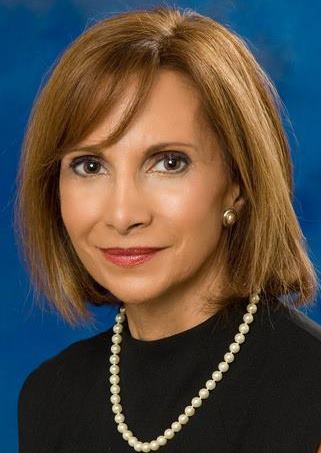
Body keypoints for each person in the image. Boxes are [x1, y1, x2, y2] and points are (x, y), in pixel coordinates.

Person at [15, 6, 321, 453]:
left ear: (238, 183)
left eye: (169, 163)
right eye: (90, 165)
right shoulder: (48, 398)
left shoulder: (310, 392)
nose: (122, 215)